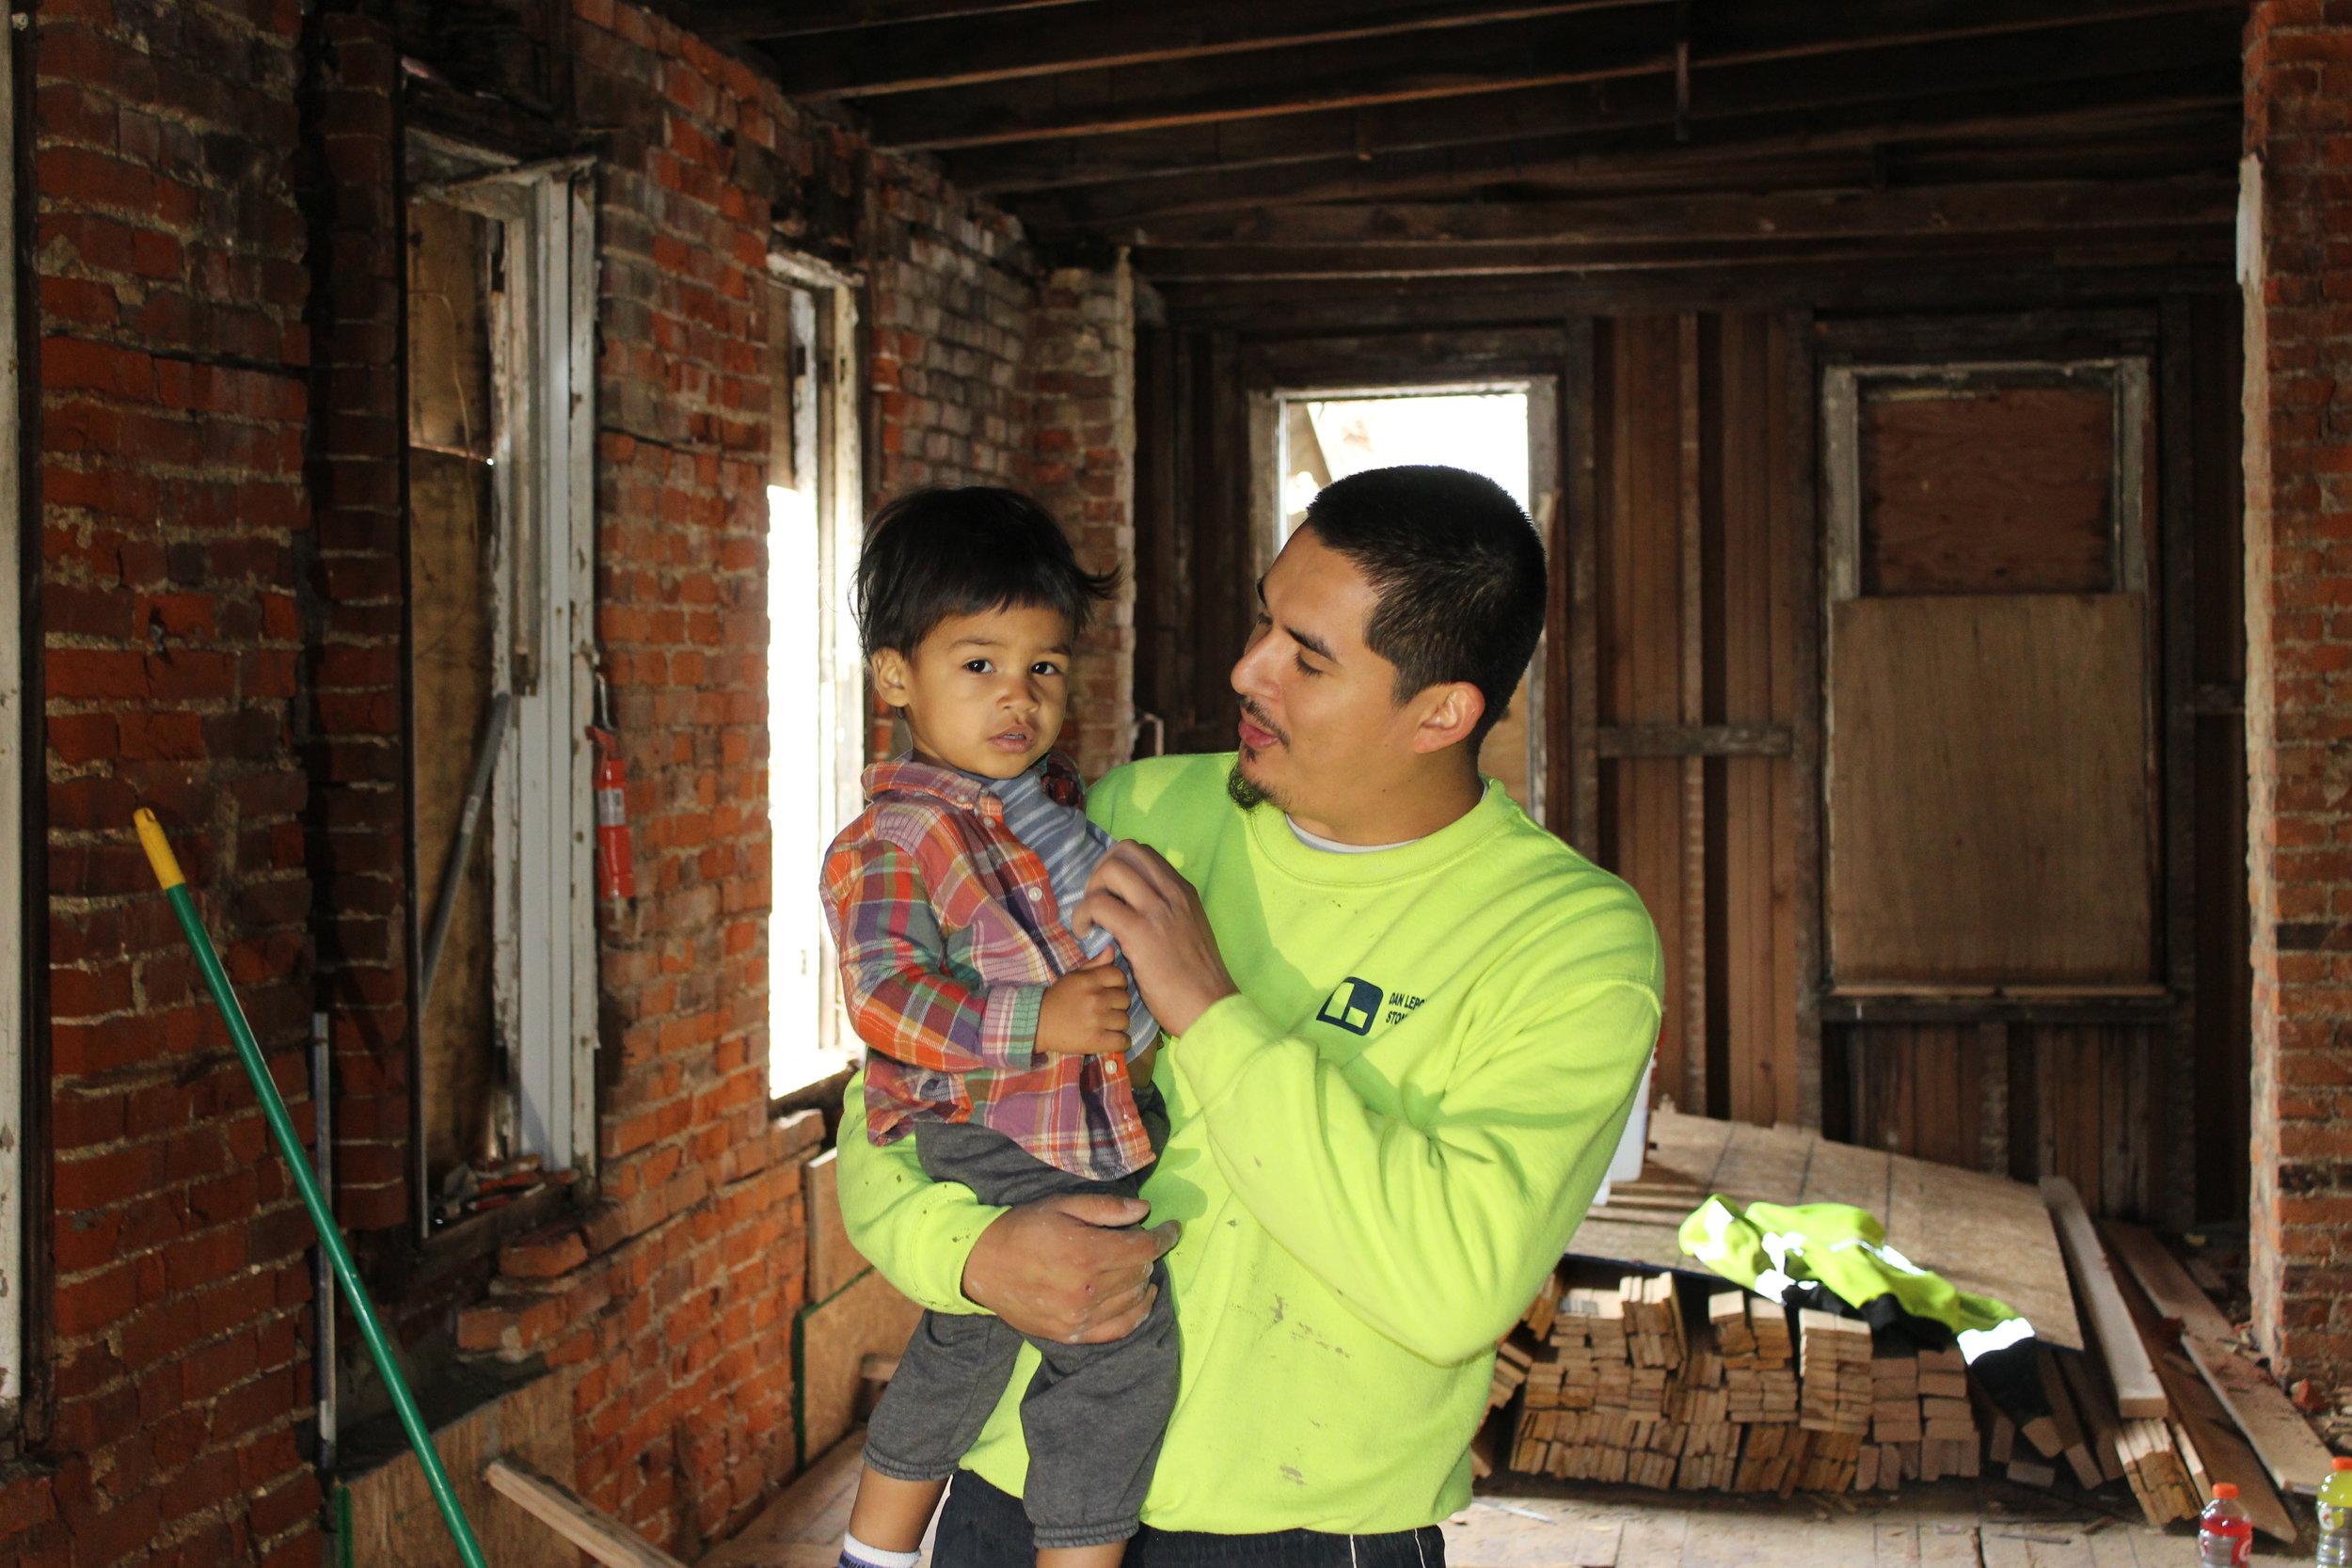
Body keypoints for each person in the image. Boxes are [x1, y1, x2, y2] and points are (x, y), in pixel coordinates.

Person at [839, 465, 1663, 1567]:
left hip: (1300, 1537)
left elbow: (1455, 1283)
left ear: (1440, 711)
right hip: (1017, 1504)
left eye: (1304, 655)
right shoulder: (1136, 815)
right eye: (1261, 619)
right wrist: (973, 1253)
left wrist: (1208, 1009)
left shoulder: (1566, 939)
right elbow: (888, 1096)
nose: (1245, 668)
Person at [820, 487, 1176, 1568]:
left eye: (1044, 666)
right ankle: (1072, 1554)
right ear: (896, 677)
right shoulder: (898, 832)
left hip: (1065, 1117)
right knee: (1119, 1340)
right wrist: (1042, 1021)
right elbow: (885, 1001)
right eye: (978, 664)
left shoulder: (1051, 804)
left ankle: (873, 1553)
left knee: (970, 1334)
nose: (1016, 696)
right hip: (998, 1125)